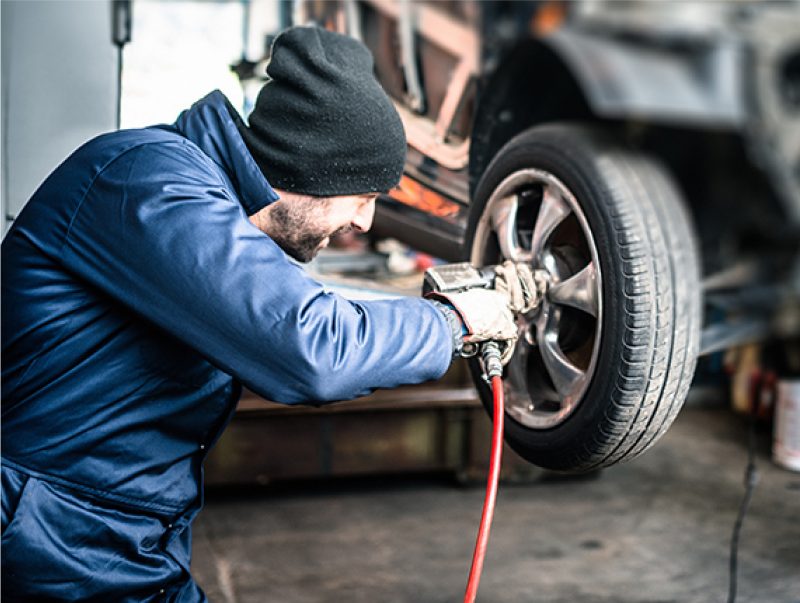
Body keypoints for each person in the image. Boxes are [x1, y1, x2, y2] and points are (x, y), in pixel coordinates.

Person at [1, 26, 528, 602]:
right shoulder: (148, 181)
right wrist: (455, 322)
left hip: (112, 534)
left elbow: (294, 316)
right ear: (313, 170)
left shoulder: (203, 200)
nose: (366, 223)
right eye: (364, 195)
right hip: (46, 532)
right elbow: (309, 349)